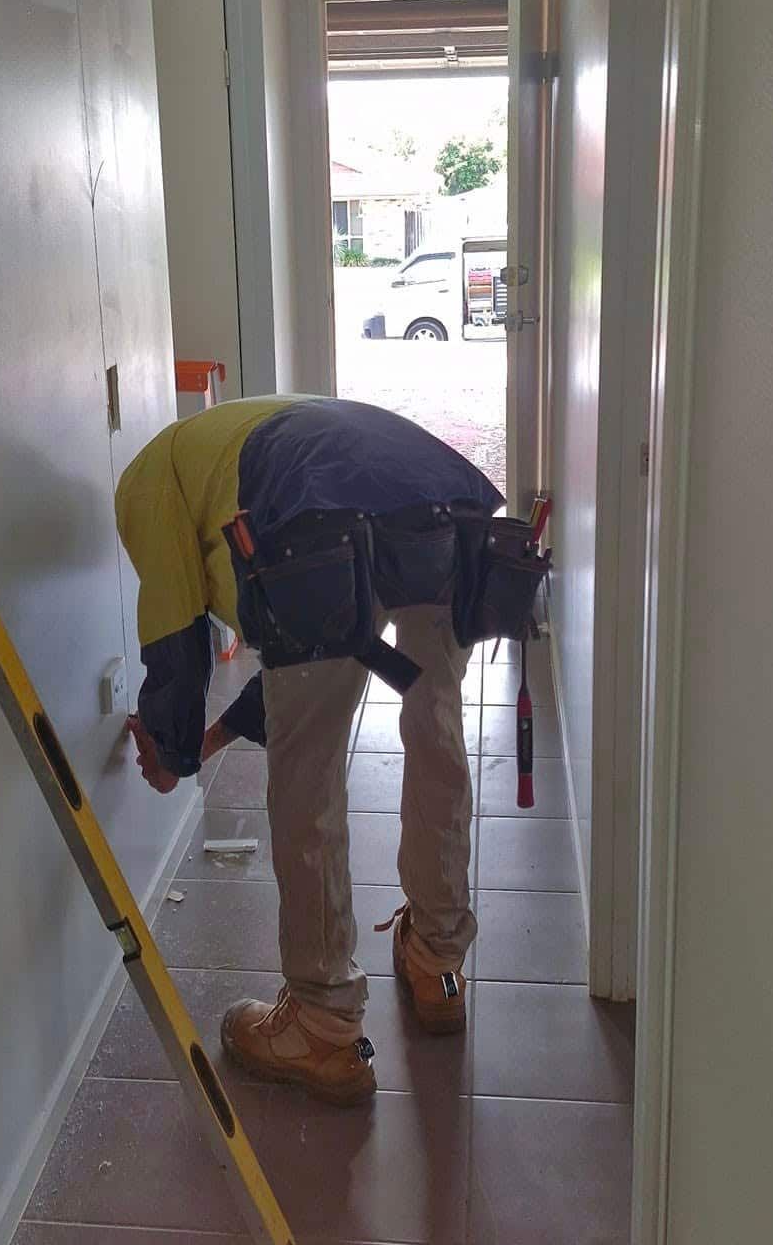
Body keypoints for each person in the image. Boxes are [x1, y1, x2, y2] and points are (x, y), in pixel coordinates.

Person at [116, 395, 504, 1106]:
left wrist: (169, 751)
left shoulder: (144, 486)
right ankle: (437, 960)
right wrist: (205, 743)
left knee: (308, 771)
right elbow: (300, 653)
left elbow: (175, 632)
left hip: (320, 528)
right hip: (448, 510)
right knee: (435, 724)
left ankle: (321, 1024)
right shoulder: (228, 442)